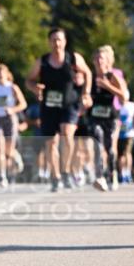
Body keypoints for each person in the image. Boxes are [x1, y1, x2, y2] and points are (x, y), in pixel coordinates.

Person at [26, 28, 92, 192]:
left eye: (59, 40)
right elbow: (29, 80)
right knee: (51, 142)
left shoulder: (74, 58)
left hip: (69, 104)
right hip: (48, 106)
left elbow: (88, 73)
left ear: (65, 42)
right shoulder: (42, 62)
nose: (57, 43)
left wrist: (85, 93)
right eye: (53, 40)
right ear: (49, 42)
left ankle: (66, 171)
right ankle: (55, 177)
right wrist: (35, 89)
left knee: (67, 134)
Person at [89, 46, 128, 191]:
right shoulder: (91, 77)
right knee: (97, 143)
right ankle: (100, 176)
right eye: (97, 58)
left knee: (110, 148)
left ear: (107, 61)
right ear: (93, 60)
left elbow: (123, 97)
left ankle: (113, 174)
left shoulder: (112, 76)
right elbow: (84, 95)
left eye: (102, 58)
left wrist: (108, 86)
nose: (99, 61)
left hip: (111, 117)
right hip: (94, 117)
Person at [0, 64, 27, 186]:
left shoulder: (13, 87)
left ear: (7, 74)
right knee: (0, 149)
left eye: (2, 72)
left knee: (8, 150)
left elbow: (23, 104)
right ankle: (2, 176)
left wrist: (13, 109)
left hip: (10, 119)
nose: (0, 74)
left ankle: (16, 157)